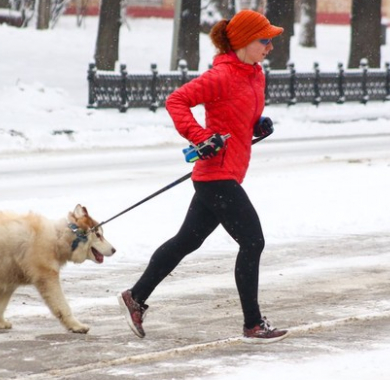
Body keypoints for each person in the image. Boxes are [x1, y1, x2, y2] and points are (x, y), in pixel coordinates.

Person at [118, 10, 288, 343]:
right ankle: (252, 324)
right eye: (264, 40)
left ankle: (135, 297)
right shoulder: (221, 76)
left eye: (271, 40)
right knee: (253, 241)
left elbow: (236, 116)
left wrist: (256, 125)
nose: (270, 47)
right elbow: (177, 100)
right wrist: (199, 136)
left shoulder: (255, 75)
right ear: (243, 42)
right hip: (216, 175)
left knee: (187, 241)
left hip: (228, 173)